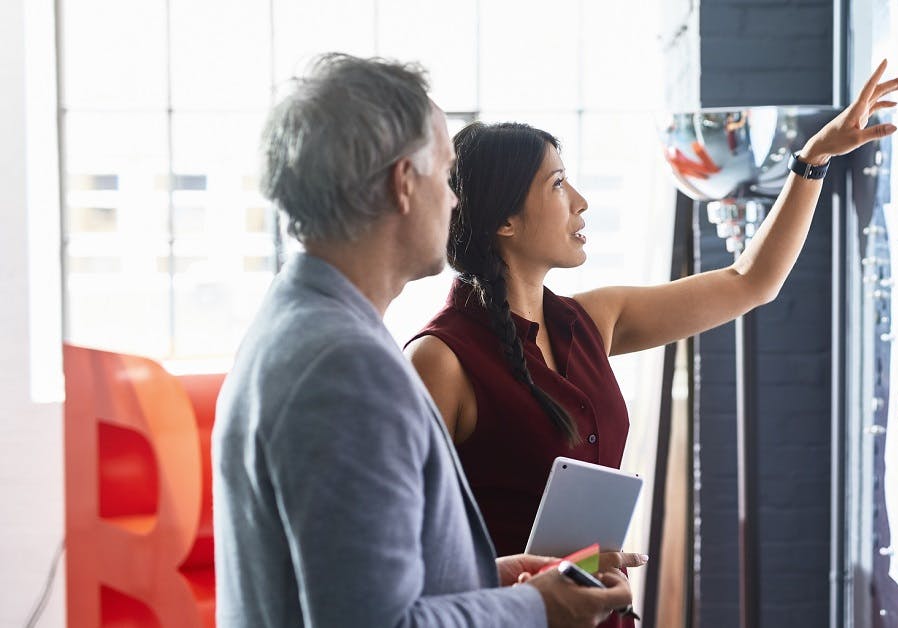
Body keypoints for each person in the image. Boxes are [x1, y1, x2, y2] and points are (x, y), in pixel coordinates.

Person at [405, 59, 898, 616]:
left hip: (600, 611)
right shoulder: (440, 361)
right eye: (556, 184)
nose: (580, 200)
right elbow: (406, 550)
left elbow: (750, 282)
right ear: (506, 222)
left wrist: (812, 160)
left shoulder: (590, 320)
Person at [212, 53, 634, 628]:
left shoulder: (306, 324)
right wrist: (536, 608)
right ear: (403, 183)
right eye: (446, 175)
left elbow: (358, 585)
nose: (457, 200)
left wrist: (488, 581)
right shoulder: (343, 367)